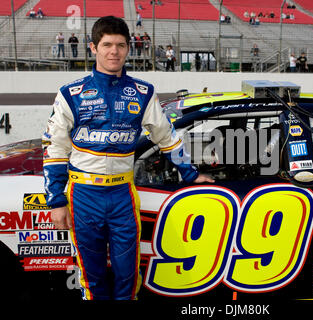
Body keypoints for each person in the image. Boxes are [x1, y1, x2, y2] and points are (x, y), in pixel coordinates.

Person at [42, 15, 214, 301]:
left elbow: (166, 137)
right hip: (83, 195)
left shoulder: (143, 93)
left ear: (128, 48)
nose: (114, 51)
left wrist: (191, 174)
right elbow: (54, 147)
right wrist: (57, 200)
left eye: (120, 45)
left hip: (123, 194)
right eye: (107, 44)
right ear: (93, 48)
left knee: (128, 276)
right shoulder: (70, 94)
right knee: (91, 276)